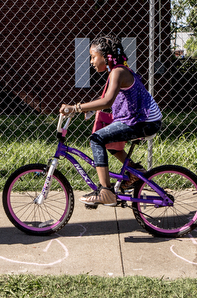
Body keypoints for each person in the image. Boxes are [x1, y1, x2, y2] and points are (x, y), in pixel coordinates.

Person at [60, 35, 162, 206]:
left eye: (93, 57)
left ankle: (105, 191)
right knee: (109, 142)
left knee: (97, 138)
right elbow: (115, 100)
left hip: (144, 121)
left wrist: (76, 107)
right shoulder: (119, 71)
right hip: (141, 119)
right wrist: (92, 108)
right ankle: (135, 171)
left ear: (106, 57)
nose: (91, 61)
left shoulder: (118, 72)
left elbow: (107, 101)